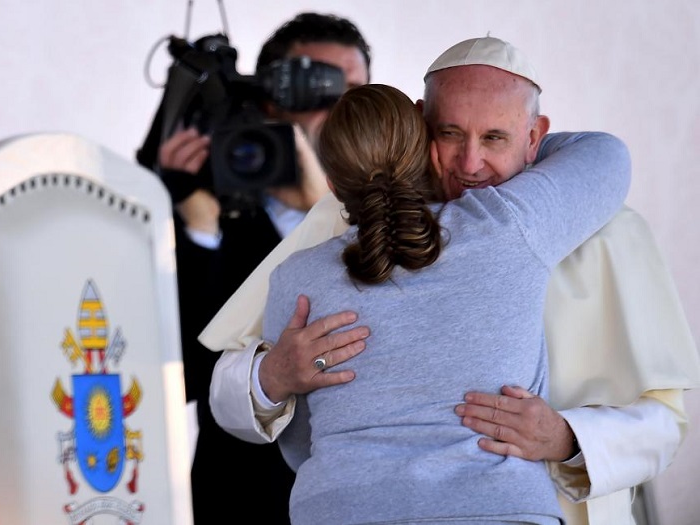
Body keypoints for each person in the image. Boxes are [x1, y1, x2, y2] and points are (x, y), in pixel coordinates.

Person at [201, 37, 700, 524]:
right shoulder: (339, 219)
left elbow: (664, 423)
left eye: (496, 137)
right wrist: (271, 376)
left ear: (535, 137)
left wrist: (567, 437)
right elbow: (227, 390)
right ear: (420, 128)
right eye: (450, 133)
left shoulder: (607, 231)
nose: (470, 163)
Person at [265, 81, 629, 524]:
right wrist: (517, 138)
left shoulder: (295, 278)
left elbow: (299, 442)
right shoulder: (506, 226)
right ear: (431, 156)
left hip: (341, 508)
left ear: (332, 184)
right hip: (498, 509)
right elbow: (607, 157)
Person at [136, 12, 372, 525]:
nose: (339, 112)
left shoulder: (403, 216)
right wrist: (192, 224)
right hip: (242, 496)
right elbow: (177, 378)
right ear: (269, 99)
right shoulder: (204, 212)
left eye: (355, 93)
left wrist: (322, 213)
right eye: (317, 92)